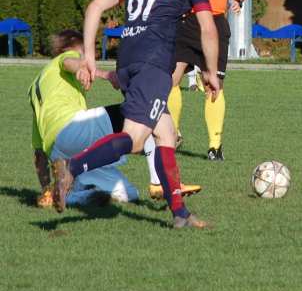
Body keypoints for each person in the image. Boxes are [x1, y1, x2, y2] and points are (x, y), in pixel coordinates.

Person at [52, 0, 221, 230]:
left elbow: (93, 8)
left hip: (127, 61)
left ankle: (180, 214)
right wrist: (210, 70)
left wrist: (89, 56)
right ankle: (72, 170)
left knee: (165, 134)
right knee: (134, 138)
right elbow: (208, 29)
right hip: (154, 64)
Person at [30, 30, 200, 208]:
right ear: (68, 48)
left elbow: (38, 153)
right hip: (73, 129)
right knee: (145, 111)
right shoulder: (65, 57)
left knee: (128, 194)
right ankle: (158, 183)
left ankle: (75, 195)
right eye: (84, 51)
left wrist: (45, 189)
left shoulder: (35, 87)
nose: (87, 56)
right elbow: (69, 62)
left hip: (58, 151)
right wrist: (98, 72)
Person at [168, 0, 248, 161]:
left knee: (213, 83)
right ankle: (172, 134)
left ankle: (215, 146)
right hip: (185, 20)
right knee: (171, 78)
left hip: (214, 22)